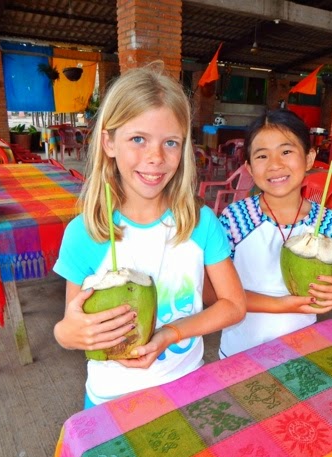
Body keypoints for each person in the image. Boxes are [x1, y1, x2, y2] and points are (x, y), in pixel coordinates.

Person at [53, 62, 246, 408]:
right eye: (138, 139)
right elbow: (72, 325)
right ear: (109, 142)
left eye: (170, 142)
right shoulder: (85, 233)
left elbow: (234, 305)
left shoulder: (200, 222)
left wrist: (171, 333)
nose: (155, 157)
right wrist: (65, 333)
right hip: (112, 399)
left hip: (187, 388)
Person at [214, 109, 332, 358]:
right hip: (239, 353)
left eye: (286, 152)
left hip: (301, 352)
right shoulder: (235, 218)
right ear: (249, 167)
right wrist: (279, 305)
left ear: (309, 158)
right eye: (262, 155)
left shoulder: (330, 225)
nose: (275, 164)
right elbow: (211, 292)